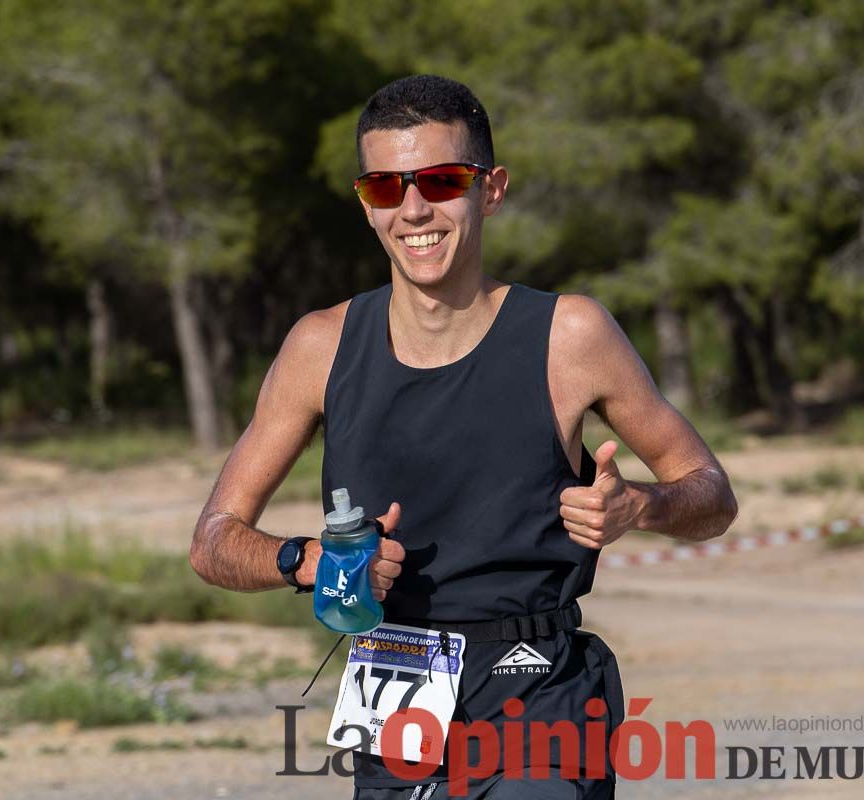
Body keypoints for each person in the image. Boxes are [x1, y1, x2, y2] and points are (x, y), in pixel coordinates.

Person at [190, 74, 738, 799]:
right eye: (385, 188)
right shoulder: (320, 348)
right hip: (393, 694)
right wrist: (306, 560)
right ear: (365, 203)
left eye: (441, 181)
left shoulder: (567, 335)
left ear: (492, 188)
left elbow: (712, 493)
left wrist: (640, 507)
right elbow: (213, 540)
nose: (413, 209)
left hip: (537, 689)